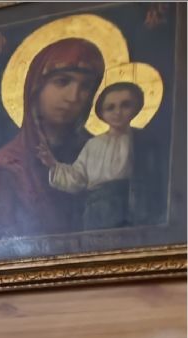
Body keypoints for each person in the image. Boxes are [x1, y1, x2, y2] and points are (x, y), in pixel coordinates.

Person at [0, 37, 103, 243]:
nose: (74, 96)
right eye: (62, 82)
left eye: (86, 86)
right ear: (35, 88)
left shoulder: (101, 155)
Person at [42, 81, 155, 230]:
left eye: (125, 105)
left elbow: (153, 177)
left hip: (130, 207)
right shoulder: (93, 144)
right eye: (110, 107)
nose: (117, 112)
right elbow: (78, 177)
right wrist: (53, 164)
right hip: (97, 210)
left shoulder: (142, 141)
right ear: (101, 113)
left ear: (136, 108)